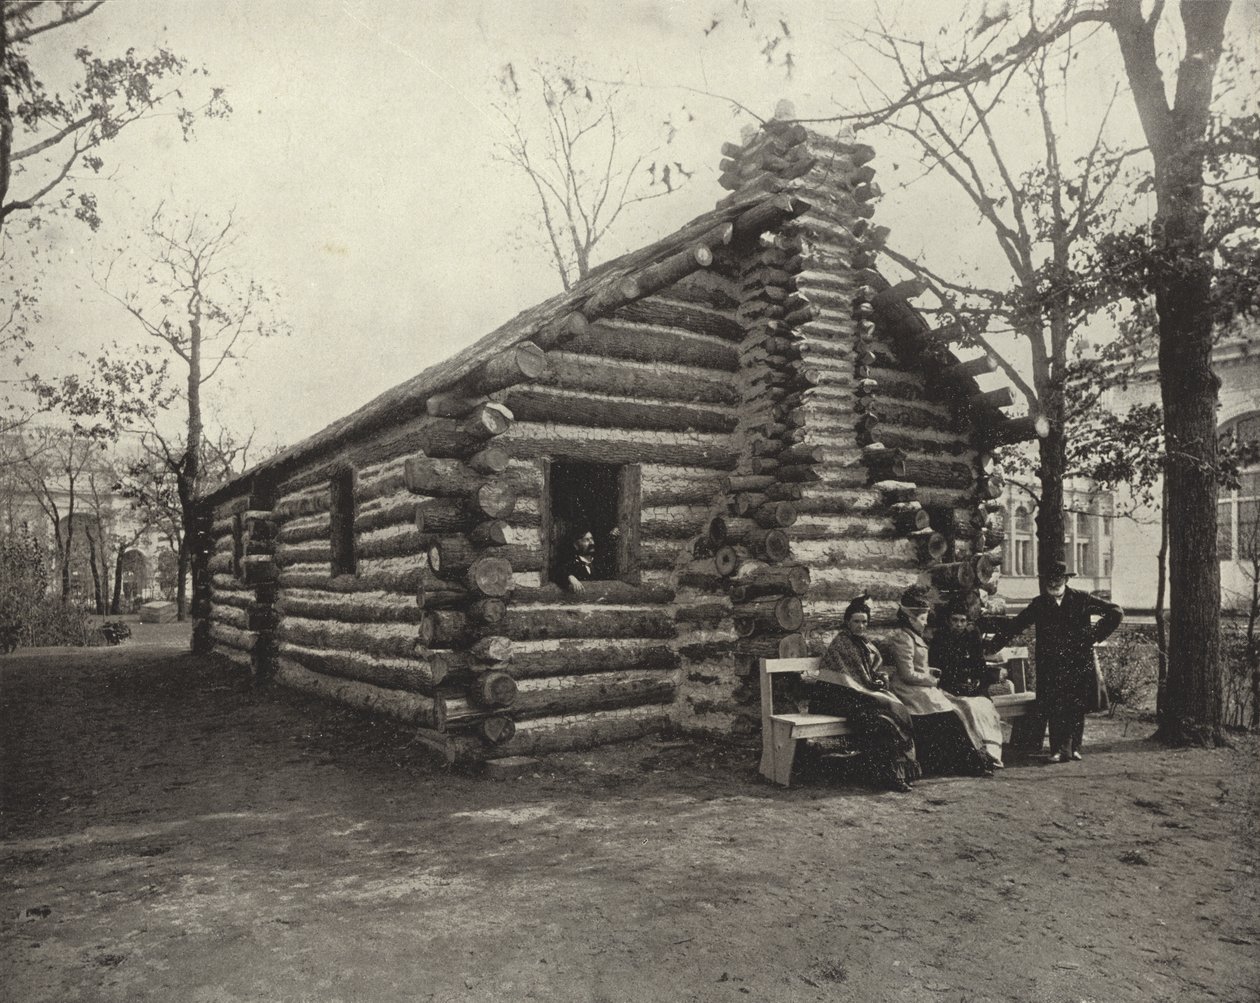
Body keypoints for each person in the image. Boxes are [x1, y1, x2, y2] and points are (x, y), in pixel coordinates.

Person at [986, 560, 1123, 763]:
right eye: (1050, 579)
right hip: (1050, 664)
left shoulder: (1082, 599)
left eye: (1058, 579)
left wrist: (1094, 635)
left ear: (1066, 579)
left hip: (1077, 661)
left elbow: (1116, 611)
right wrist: (992, 646)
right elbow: (1016, 625)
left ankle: (1075, 748)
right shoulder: (1039, 604)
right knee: (1055, 705)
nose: (1053, 583)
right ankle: (1058, 750)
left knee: (1076, 705)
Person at [805, 594, 921, 793]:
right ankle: (887, 776)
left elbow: (869, 672)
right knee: (878, 722)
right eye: (856, 621)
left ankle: (892, 774)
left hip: (855, 696)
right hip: (833, 697)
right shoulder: (841, 643)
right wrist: (869, 685)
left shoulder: (865, 644)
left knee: (887, 718)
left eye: (864, 622)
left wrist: (878, 679)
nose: (860, 626)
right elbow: (847, 679)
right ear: (847, 622)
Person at [886, 585, 1001, 775]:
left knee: (952, 715)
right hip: (908, 690)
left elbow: (920, 667)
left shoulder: (914, 637)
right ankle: (967, 763)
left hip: (922, 688)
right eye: (922, 619)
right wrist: (931, 680)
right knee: (949, 716)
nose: (924, 623)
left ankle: (970, 761)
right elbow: (907, 674)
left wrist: (930, 674)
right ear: (910, 619)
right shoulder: (902, 639)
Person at [929, 596, 1001, 697]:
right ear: (948, 621)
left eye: (962, 621)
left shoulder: (971, 637)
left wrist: (977, 680)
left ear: (967, 622)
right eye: (955, 620)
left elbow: (979, 662)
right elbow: (936, 667)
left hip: (969, 683)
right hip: (947, 684)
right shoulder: (940, 638)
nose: (959, 624)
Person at [558, 526, 619, 594]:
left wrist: (613, 535)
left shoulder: (600, 561)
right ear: (576, 545)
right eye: (587, 540)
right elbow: (557, 572)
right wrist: (570, 577)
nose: (592, 543)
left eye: (592, 539)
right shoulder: (572, 564)